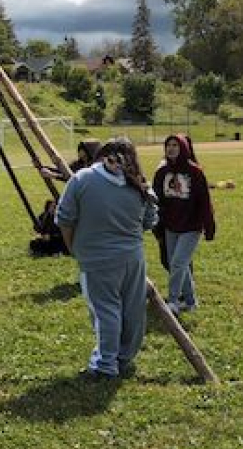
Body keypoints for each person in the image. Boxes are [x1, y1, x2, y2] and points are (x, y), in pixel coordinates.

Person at [56, 138, 158, 380]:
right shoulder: (140, 183)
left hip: (96, 259)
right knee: (133, 310)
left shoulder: (82, 179)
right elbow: (150, 220)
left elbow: (64, 218)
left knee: (105, 311)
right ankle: (124, 356)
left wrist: (74, 248)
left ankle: (105, 364)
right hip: (133, 258)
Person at [152, 134, 215, 316]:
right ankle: (190, 301)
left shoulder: (195, 172)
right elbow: (157, 200)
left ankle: (172, 302)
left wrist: (209, 226)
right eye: (168, 145)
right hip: (171, 227)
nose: (171, 149)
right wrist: (157, 225)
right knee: (178, 264)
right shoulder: (162, 172)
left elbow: (204, 202)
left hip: (191, 227)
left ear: (184, 148)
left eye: (175, 145)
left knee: (178, 263)